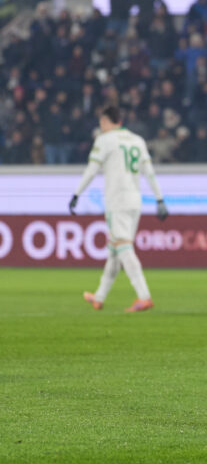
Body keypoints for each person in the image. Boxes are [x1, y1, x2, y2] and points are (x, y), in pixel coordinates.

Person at [69, 105, 168, 312]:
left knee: (123, 247)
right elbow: (149, 172)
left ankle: (144, 296)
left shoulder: (105, 140)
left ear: (105, 121)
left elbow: (91, 170)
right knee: (114, 249)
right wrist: (159, 199)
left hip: (117, 201)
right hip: (135, 201)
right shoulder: (138, 140)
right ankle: (99, 297)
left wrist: (77, 193)